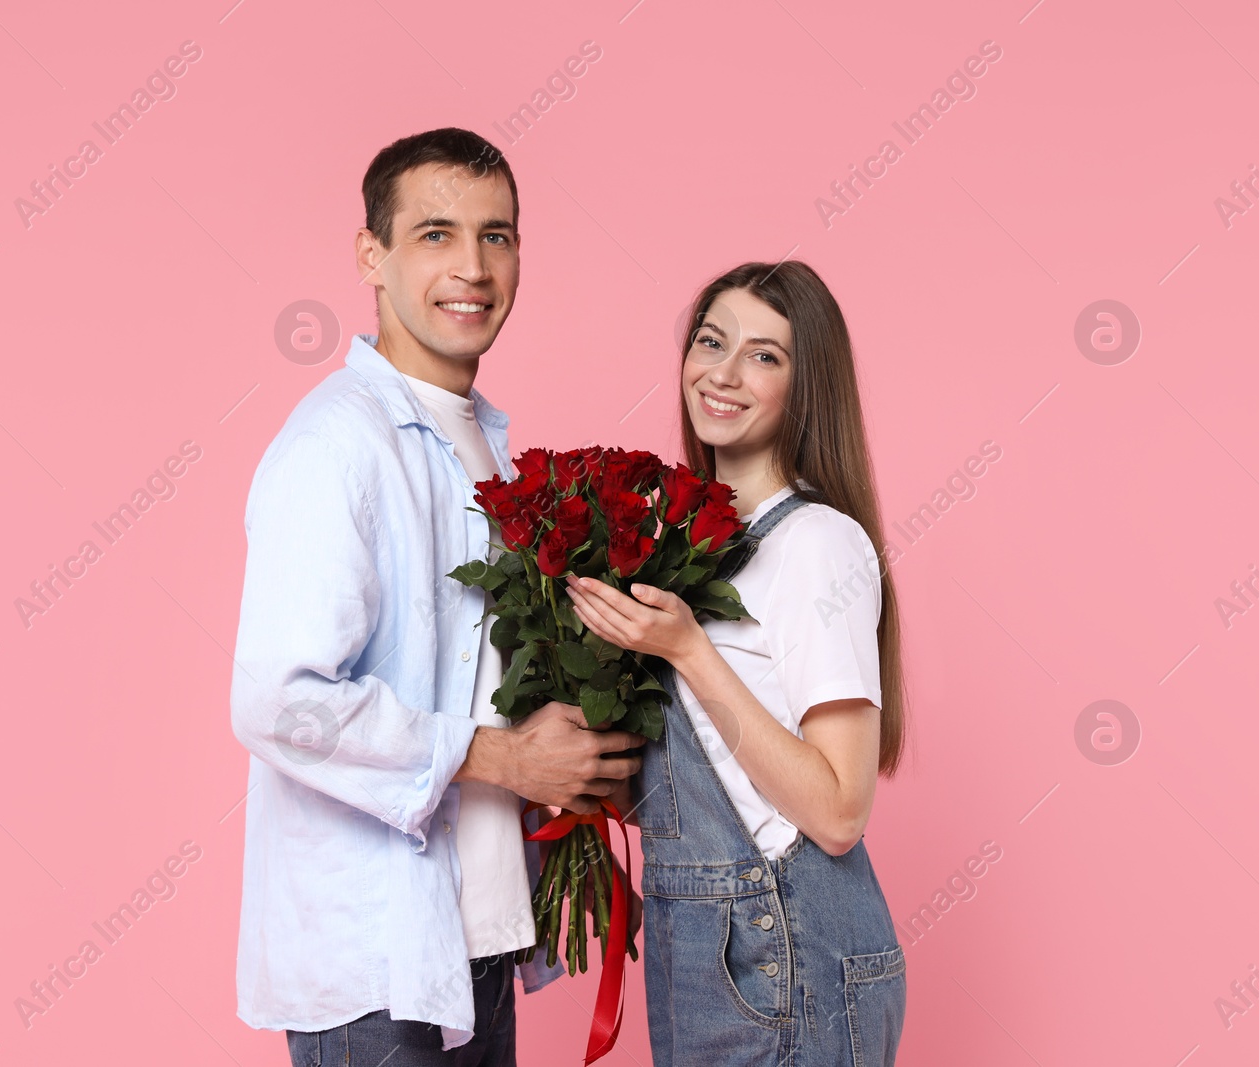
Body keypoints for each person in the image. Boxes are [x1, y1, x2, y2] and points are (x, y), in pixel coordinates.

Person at [228, 127, 644, 1067]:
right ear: (370, 254)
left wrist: (580, 752)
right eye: (436, 234)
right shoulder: (338, 445)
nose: (473, 267)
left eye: (497, 236)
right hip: (375, 961)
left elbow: (476, 673)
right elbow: (279, 700)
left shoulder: (482, 446)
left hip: (472, 943)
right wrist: (505, 757)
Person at [565, 261, 909, 1066]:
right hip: (707, 946)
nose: (722, 372)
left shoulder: (817, 545)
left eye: (763, 355)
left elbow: (835, 810)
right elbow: (718, 778)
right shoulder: (691, 546)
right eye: (711, 341)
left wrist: (686, 647)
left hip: (784, 953)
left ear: (806, 384)